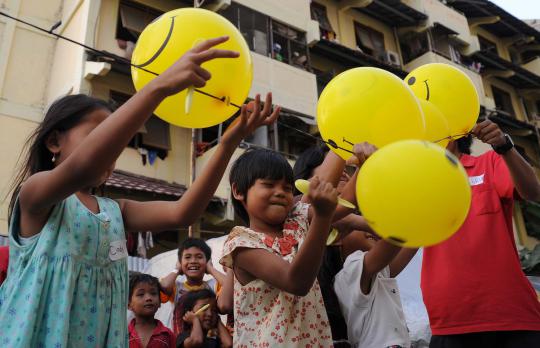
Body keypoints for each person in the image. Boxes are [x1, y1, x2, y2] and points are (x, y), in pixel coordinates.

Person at [0, 36, 280, 347]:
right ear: (54, 142)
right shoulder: (35, 194)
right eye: (101, 135)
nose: (114, 147)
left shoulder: (113, 211)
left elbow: (184, 211)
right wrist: (157, 88)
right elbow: (83, 166)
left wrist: (227, 144)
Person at [220, 147, 362, 347]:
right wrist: (322, 217)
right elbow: (296, 283)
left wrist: (363, 167)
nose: (280, 193)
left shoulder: (295, 217)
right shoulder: (241, 243)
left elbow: (344, 202)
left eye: (287, 188)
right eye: (268, 185)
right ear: (238, 191)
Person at [422, 119, 540, 347]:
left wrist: (505, 146)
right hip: (450, 320)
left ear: (455, 134)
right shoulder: (417, 183)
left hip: (513, 319)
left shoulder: (489, 161)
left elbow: (533, 192)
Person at [159, 238, 229, 335]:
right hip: (183, 342)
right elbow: (164, 286)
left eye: (199, 257)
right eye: (187, 257)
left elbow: (230, 286)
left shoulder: (213, 285)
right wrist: (176, 269)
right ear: (180, 262)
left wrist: (211, 269)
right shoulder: (176, 287)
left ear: (207, 261)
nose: (193, 261)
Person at [128, 273, 175, 348]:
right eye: (141, 294)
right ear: (129, 304)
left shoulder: (168, 335)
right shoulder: (123, 335)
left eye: (153, 293)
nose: (148, 298)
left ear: (160, 302)